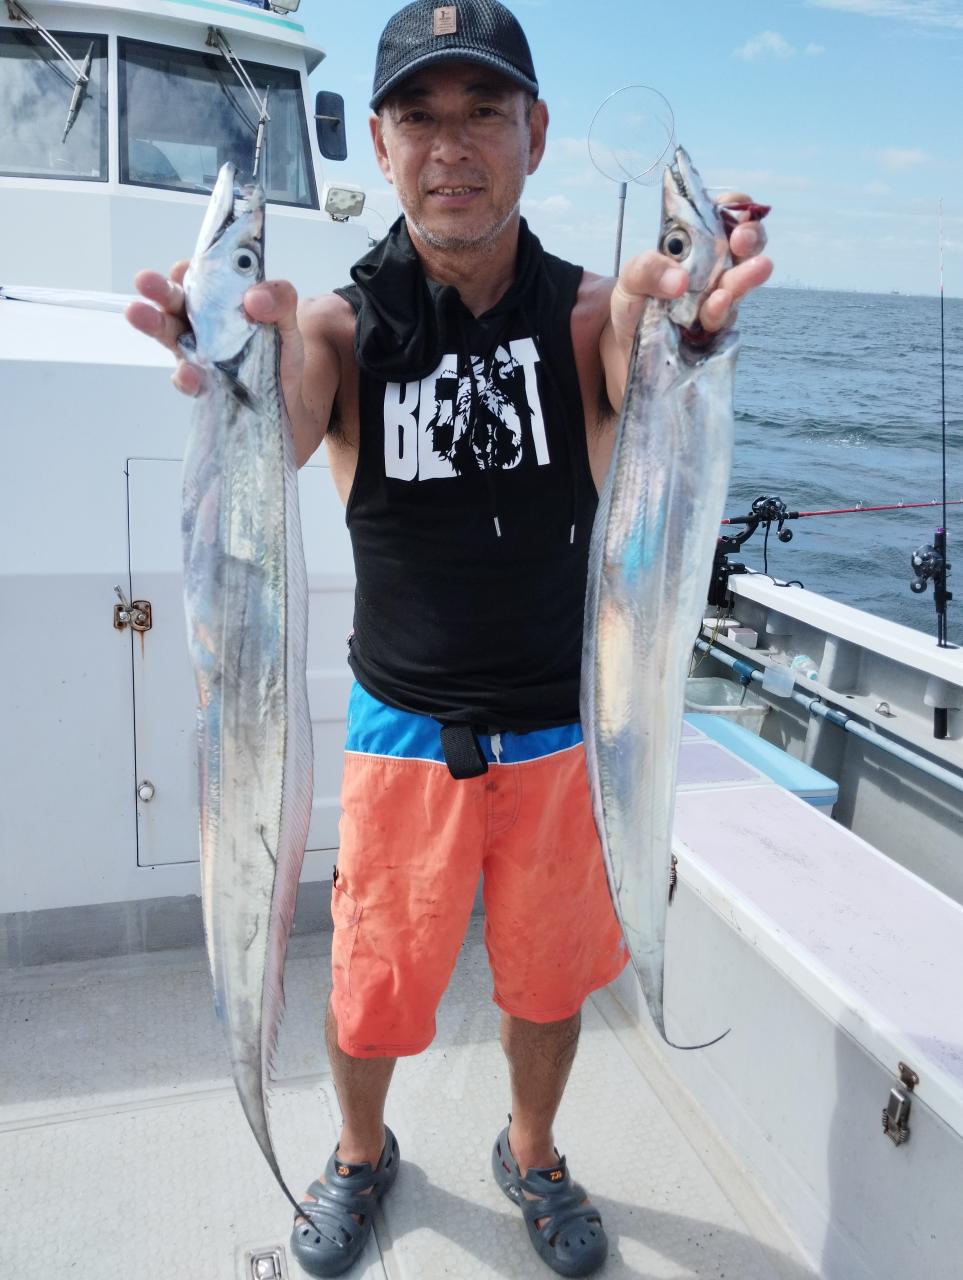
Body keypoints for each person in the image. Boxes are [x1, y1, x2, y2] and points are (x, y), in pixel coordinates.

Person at [126, 2, 772, 1275]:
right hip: (401, 733)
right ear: (380, 144)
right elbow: (287, 415)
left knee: (548, 983)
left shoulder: (590, 314)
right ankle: (361, 1149)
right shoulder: (336, 327)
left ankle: (532, 1149)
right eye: (419, 116)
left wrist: (691, 320)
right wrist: (231, 361)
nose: (451, 144)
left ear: (536, 132)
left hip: (561, 732)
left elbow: (645, 348)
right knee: (371, 987)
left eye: (484, 110)